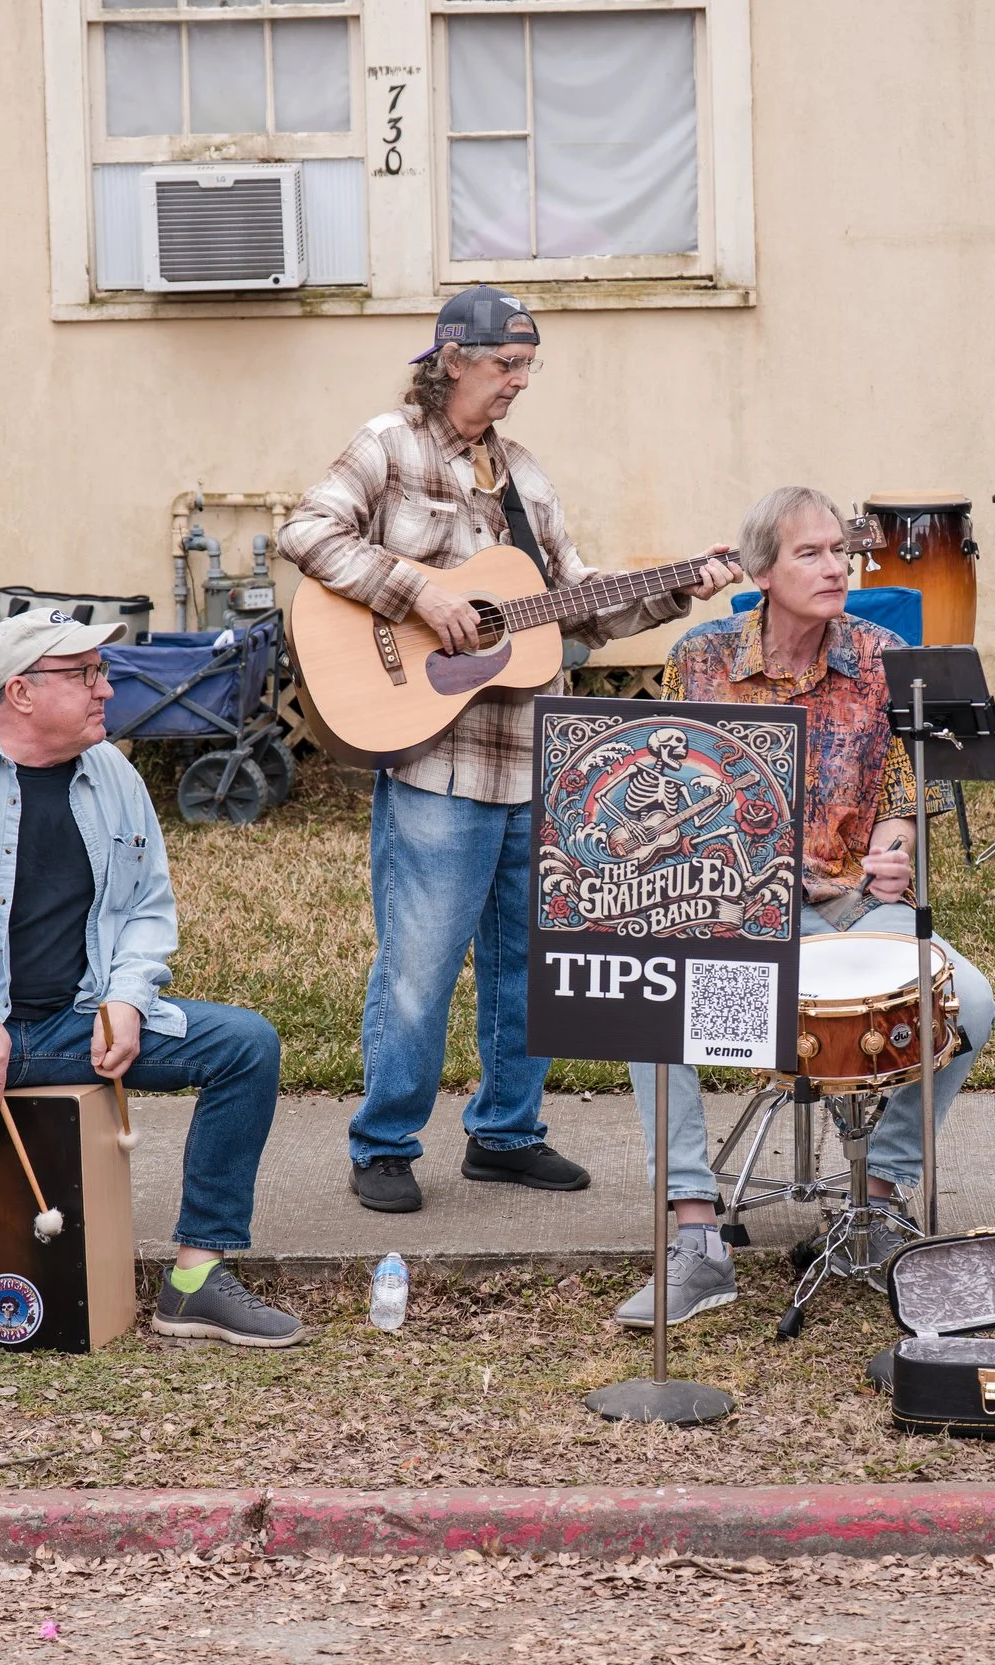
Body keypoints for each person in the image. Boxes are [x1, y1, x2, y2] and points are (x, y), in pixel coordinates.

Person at [278, 286, 736, 1214]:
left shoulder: (524, 476)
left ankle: (507, 1133)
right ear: (451, 358)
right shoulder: (390, 447)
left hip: (536, 760)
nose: (518, 384)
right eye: (504, 366)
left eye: (527, 368)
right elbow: (305, 531)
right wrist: (418, 593)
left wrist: (681, 585)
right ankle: (386, 1142)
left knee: (530, 963)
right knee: (421, 963)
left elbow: (576, 599)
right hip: (438, 763)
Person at [0, 609, 301, 1383]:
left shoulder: (113, 777)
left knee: (246, 1046)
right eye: (86, 674)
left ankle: (193, 1279)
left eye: (101, 670)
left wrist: (126, 995)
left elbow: (150, 908)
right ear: (19, 691)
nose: (106, 689)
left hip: (72, 1022)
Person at [616, 485, 995, 1327]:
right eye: (812, 553)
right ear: (761, 570)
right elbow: (663, 797)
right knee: (651, 996)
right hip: (737, 907)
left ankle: (881, 1198)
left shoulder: (881, 654)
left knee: (967, 999)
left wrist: (892, 854)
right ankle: (695, 1236)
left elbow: (900, 789)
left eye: (841, 551)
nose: (838, 568)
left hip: (857, 904)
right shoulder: (702, 659)